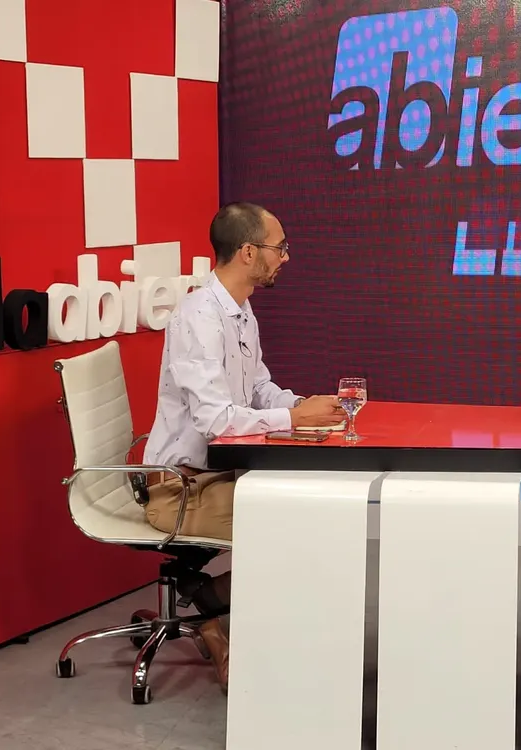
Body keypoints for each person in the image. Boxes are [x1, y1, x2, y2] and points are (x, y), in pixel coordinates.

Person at [140, 202, 345, 692]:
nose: (286, 257)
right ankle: (209, 603)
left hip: (220, 475)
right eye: (280, 248)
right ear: (249, 252)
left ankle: (210, 602)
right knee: (302, 521)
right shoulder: (198, 318)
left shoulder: (240, 310)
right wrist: (293, 420)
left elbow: (257, 389)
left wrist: (303, 407)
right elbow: (216, 421)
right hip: (179, 486)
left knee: (314, 508)